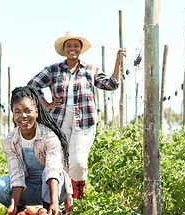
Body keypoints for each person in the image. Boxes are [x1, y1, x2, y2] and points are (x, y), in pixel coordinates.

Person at [27, 30, 126, 202]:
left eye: (76, 46)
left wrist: (118, 62)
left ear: (80, 49)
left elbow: (111, 84)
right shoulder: (53, 70)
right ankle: (62, 204)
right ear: (64, 49)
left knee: (78, 163)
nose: (72, 48)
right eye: (69, 45)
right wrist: (47, 104)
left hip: (85, 121)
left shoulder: (90, 69)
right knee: (61, 163)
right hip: (58, 120)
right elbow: (32, 85)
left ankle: (77, 203)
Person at [0, 85, 72, 215]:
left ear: (37, 111)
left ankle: (48, 210)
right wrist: (13, 204)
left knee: (49, 171)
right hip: (28, 188)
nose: (23, 116)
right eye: (17, 112)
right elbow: (16, 174)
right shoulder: (11, 140)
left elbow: (52, 170)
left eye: (28, 111)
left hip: (54, 188)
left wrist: (54, 202)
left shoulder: (49, 136)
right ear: (13, 113)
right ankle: (22, 212)